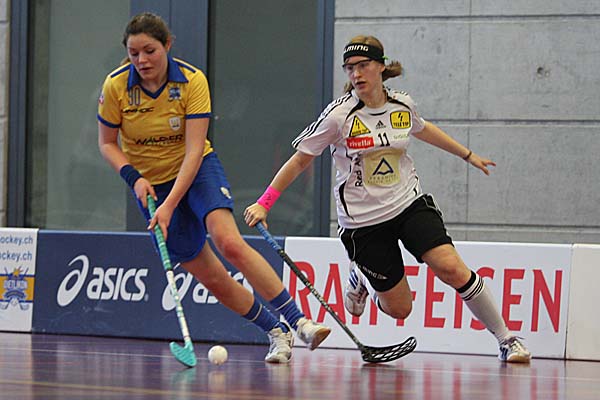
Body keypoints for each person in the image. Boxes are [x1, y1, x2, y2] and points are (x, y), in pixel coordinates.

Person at [244, 35, 531, 363]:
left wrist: (467, 155)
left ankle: (507, 340)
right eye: (350, 68)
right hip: (363, 223)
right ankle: (361, 276)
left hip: (408, 204)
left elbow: (422, 128)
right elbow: (300, 160)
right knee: (400, 309)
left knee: (452, 268)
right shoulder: (339, 116)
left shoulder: (402, 104)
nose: (356, 74)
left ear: (381, 66)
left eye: (363, 65)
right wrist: (264, 202)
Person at [97, 12, 330, 363]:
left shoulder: (192, 81)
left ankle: (300, 322)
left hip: (197, 171)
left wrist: (170, 204)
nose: (142, 60)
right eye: (134, 53)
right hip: (152, 185)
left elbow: (194, 151)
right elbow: (107, 143)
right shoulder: (116, 87)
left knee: (229, 243)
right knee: (215, 279)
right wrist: (135, 178)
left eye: (149, 51)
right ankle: (275, 331)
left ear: (168, 45)